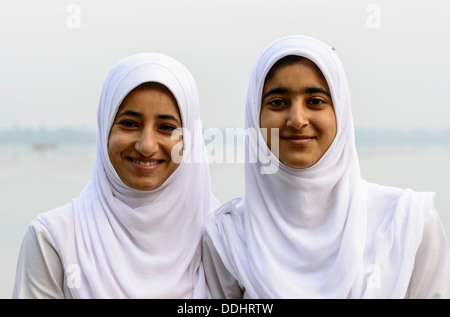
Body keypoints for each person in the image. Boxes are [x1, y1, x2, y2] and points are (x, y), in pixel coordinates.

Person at [202, 35, 450, 298]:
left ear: (340, 112)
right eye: (277, 102)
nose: (297, 120)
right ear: (254, 115)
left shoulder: (407, 222)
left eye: (316, 101)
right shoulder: (227, 238)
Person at [13, 52, 220, 298]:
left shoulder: (222, 238)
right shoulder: (54, 238)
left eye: (167, 128)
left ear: (190, 141)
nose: (146, 146)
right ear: (105, 128)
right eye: (129, 123)